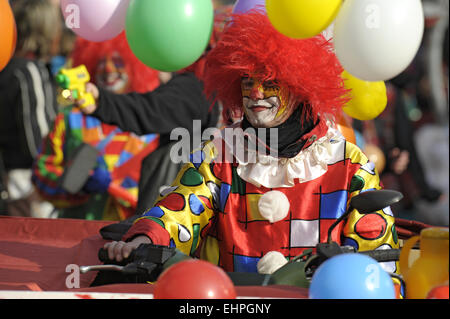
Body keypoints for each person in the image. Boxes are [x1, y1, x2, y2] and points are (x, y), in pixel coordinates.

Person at [102, 12, 401, 286]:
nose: (256, 93)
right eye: (247, 81)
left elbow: (377, 264)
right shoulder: (219, 155)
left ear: (300, 85)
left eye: (270, 82)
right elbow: (182, 208)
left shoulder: (348, 164)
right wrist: (145, 238)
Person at [32, 32, 162, 221]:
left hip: (131, 235)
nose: (108, 70)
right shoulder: (70, 118)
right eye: (101, 62)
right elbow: (42, 173)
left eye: (118, 61)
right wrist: (75, 184)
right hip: (77, 232)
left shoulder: (151, 121)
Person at [0, 0, 61, 217]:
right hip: (28, 182)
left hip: (14, 177)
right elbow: (36, 134)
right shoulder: (28, 72)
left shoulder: (10, 68)